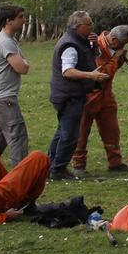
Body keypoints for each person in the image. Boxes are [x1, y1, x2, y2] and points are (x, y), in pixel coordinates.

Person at [46, 10, 111, 181]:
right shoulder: (70, 45)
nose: (92, 27)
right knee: (70, 134)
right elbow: (68, 71)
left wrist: (94, 45)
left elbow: (88, 58)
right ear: (77, 27)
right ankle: (58, 169)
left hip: (68, 94)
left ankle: (51, 165)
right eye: (88, 24)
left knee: (61, 132)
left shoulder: (79, 41)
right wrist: (91, 76)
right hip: (70, 95)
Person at [72, 24, 128, 174]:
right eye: (122, 44)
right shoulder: (95, 47)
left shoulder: (112, 46)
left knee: (112, 130)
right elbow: (102, 75)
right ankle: (78, 164)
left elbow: (112, 68)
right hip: (90, 95)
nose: (122, 47)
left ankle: (115, 162)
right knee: (82, 130)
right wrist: (116, 58)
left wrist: (118, 59)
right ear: (113, 39)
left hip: (106, 96)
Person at [0, 4, 30, 164]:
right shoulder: (5, 42)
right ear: (9, 21)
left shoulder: (10, 40)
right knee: (17, 135)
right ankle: (21, 177)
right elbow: (22, 68)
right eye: (21, 17)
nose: (24, 20)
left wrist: (23, 62)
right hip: (3, 98)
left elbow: (20, 64)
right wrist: (24, 63)